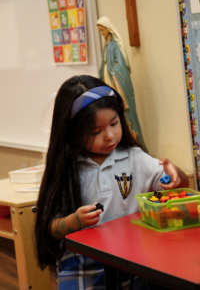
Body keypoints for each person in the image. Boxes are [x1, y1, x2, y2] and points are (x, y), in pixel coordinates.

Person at [34, 75, 189, 290]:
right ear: (73, 135)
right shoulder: (67, 170)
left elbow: (177, 186)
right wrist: (74, 221)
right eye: (95, 132)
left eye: (114, 123)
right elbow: (48, 227)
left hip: (133, 263)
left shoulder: (135, 158)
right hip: (82, 266)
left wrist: (176, 174)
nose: (109, 136)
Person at [97, 16, 148, 152]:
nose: (102, 33)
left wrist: (113, 74)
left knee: (126, 115)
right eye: (100, 31)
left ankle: (136, 145)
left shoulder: (115, 44)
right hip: (108, 80)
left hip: (115, 81)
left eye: (103, 30)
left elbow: (121, 65)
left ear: (108, 29)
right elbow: (103, 64)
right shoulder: (107, 44)